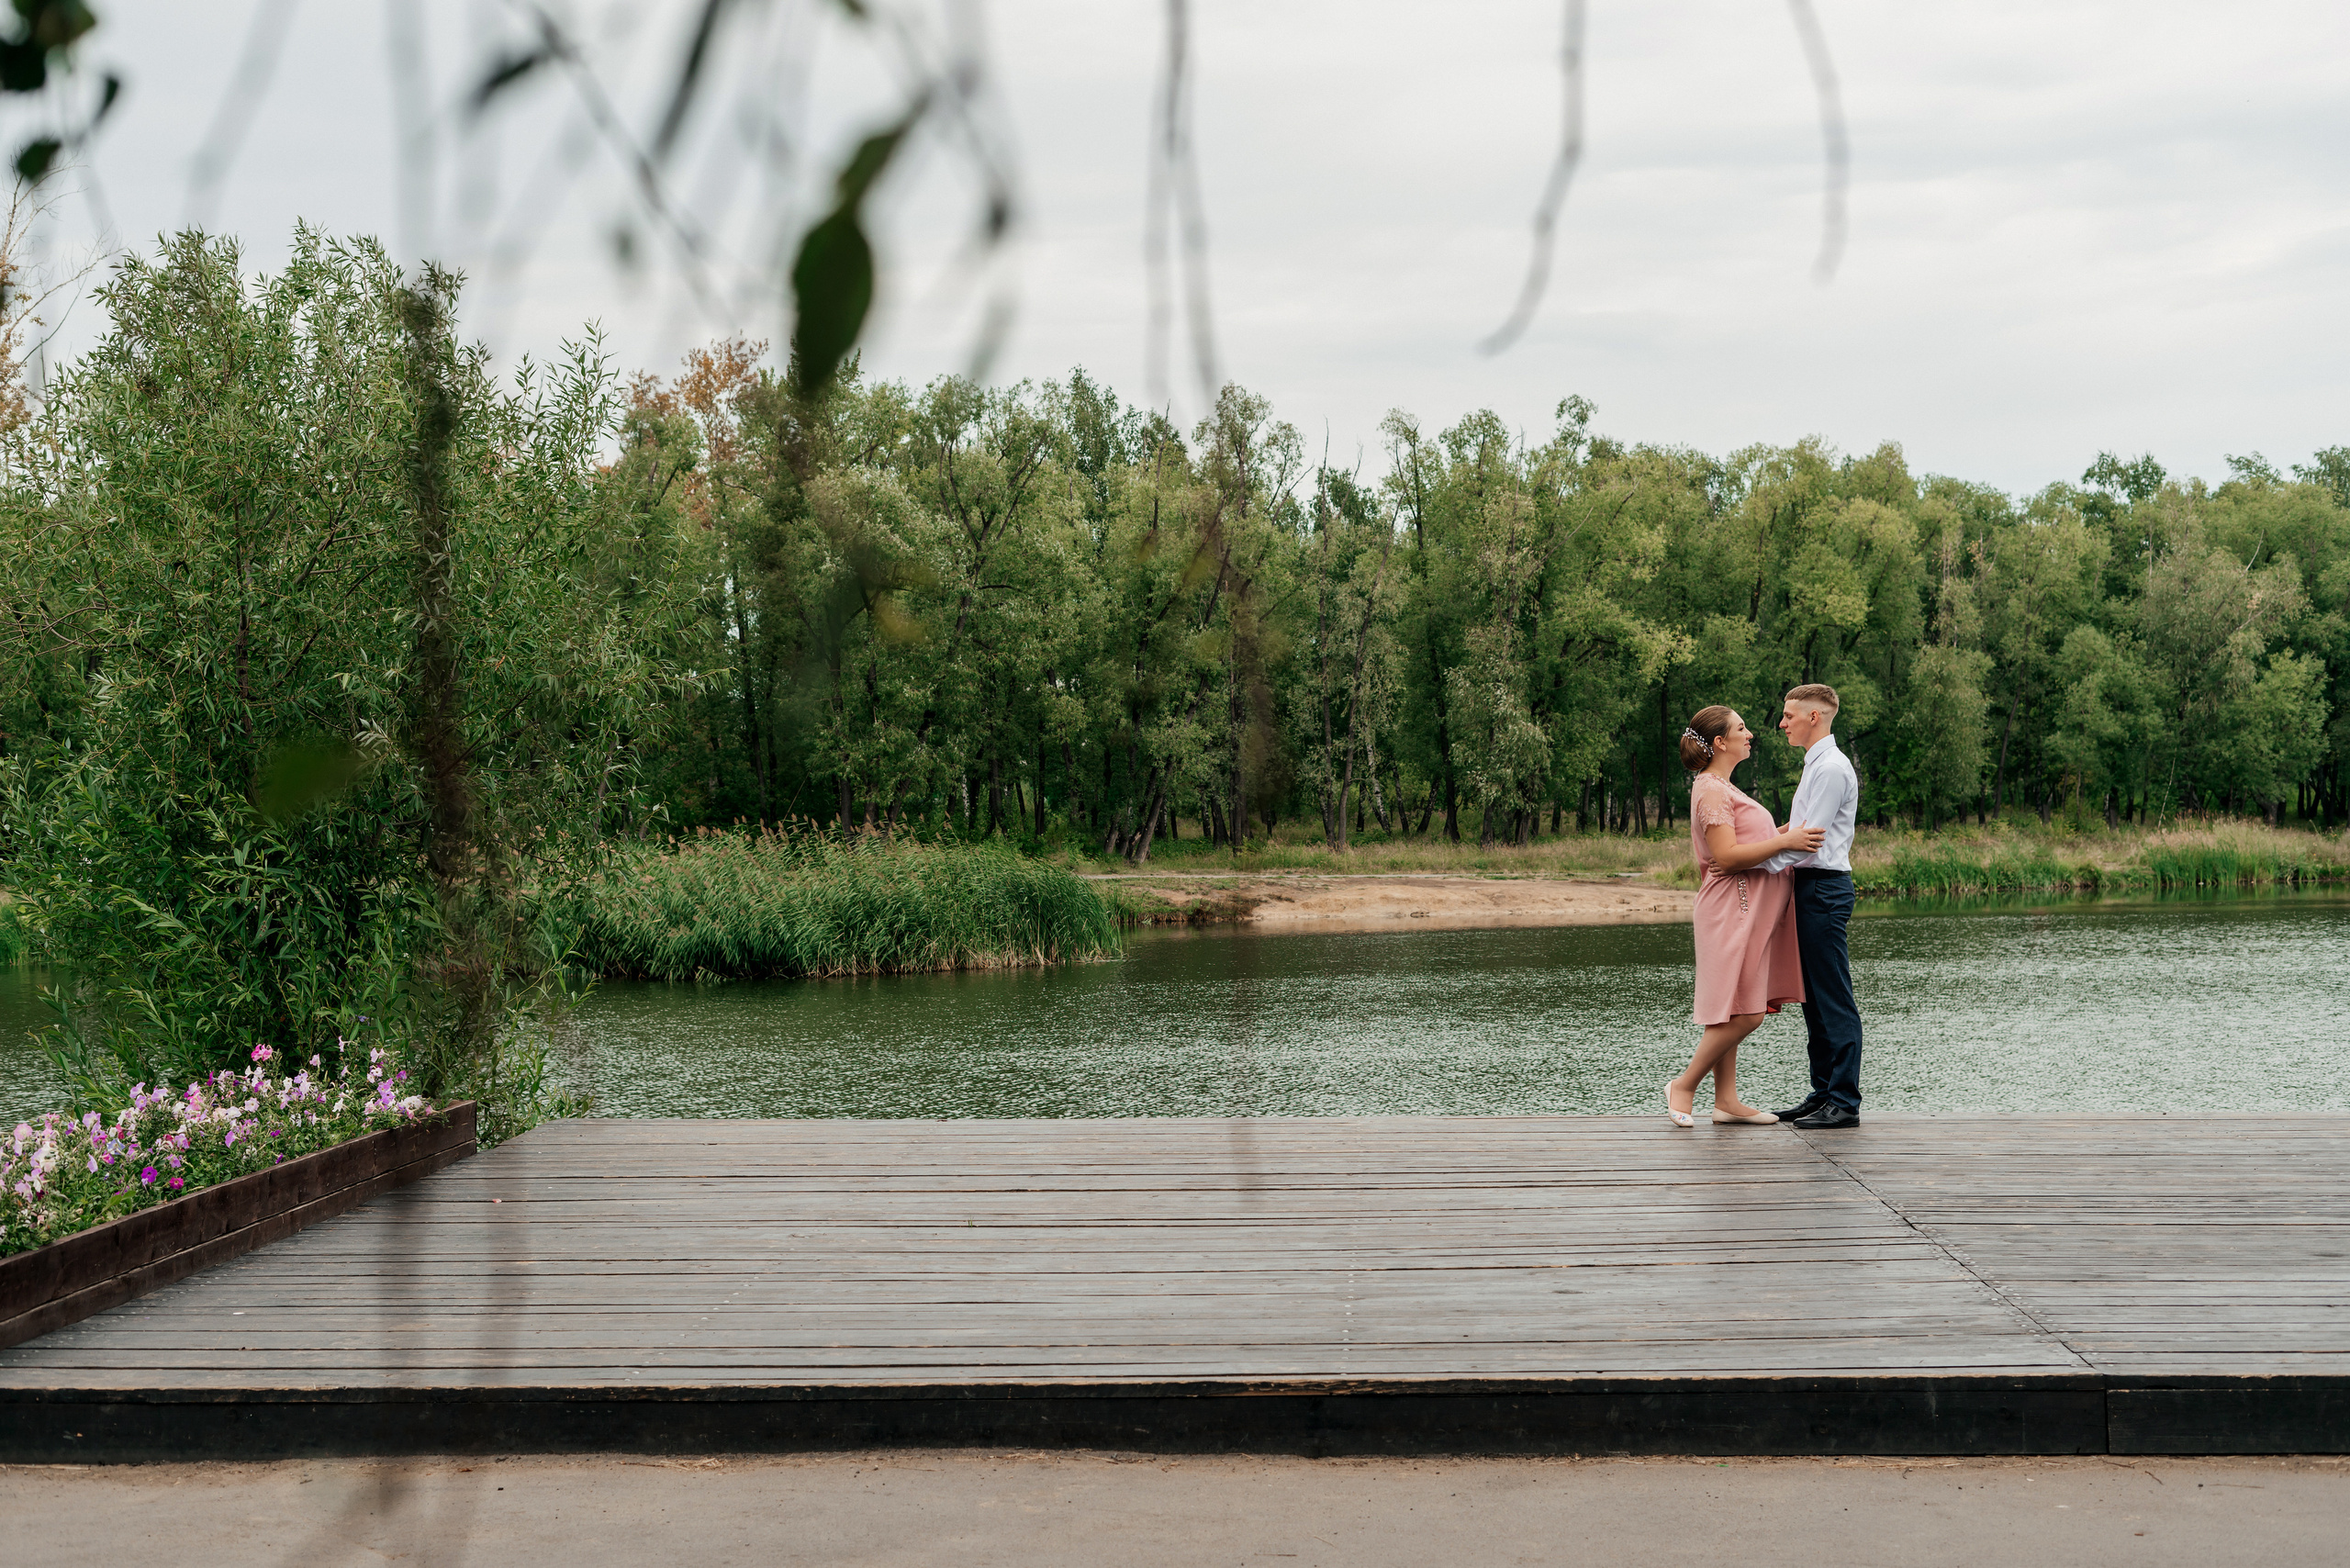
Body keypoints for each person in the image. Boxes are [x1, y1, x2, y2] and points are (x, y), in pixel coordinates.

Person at [1664, 705, 1823, 1129]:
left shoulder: (1723, 786)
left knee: (1733, 1009)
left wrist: (1786, 836)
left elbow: (1750, 844)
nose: (1750, 734)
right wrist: (1785, 841)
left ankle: (1727, 1101)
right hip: (1730, 908)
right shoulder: (1712, 789)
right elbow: (1728, 857)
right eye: (1741, 728)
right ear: (1720, 742)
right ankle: (1684, 1084)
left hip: (1746, 908)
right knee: (1746, 1012)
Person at [1760, 683, 1864, 1129]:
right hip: (1811, 887)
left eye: (1788, 715)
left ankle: (1843, 1101)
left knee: (1833, 997)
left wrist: (1754, 861)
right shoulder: (1817, 765)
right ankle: (1823, 1094)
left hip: (1822, 887)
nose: (1782, 723)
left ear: (1814, 717)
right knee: (1815, 1001)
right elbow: (1797, 831)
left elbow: (1807, 843)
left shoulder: (1832, 769)